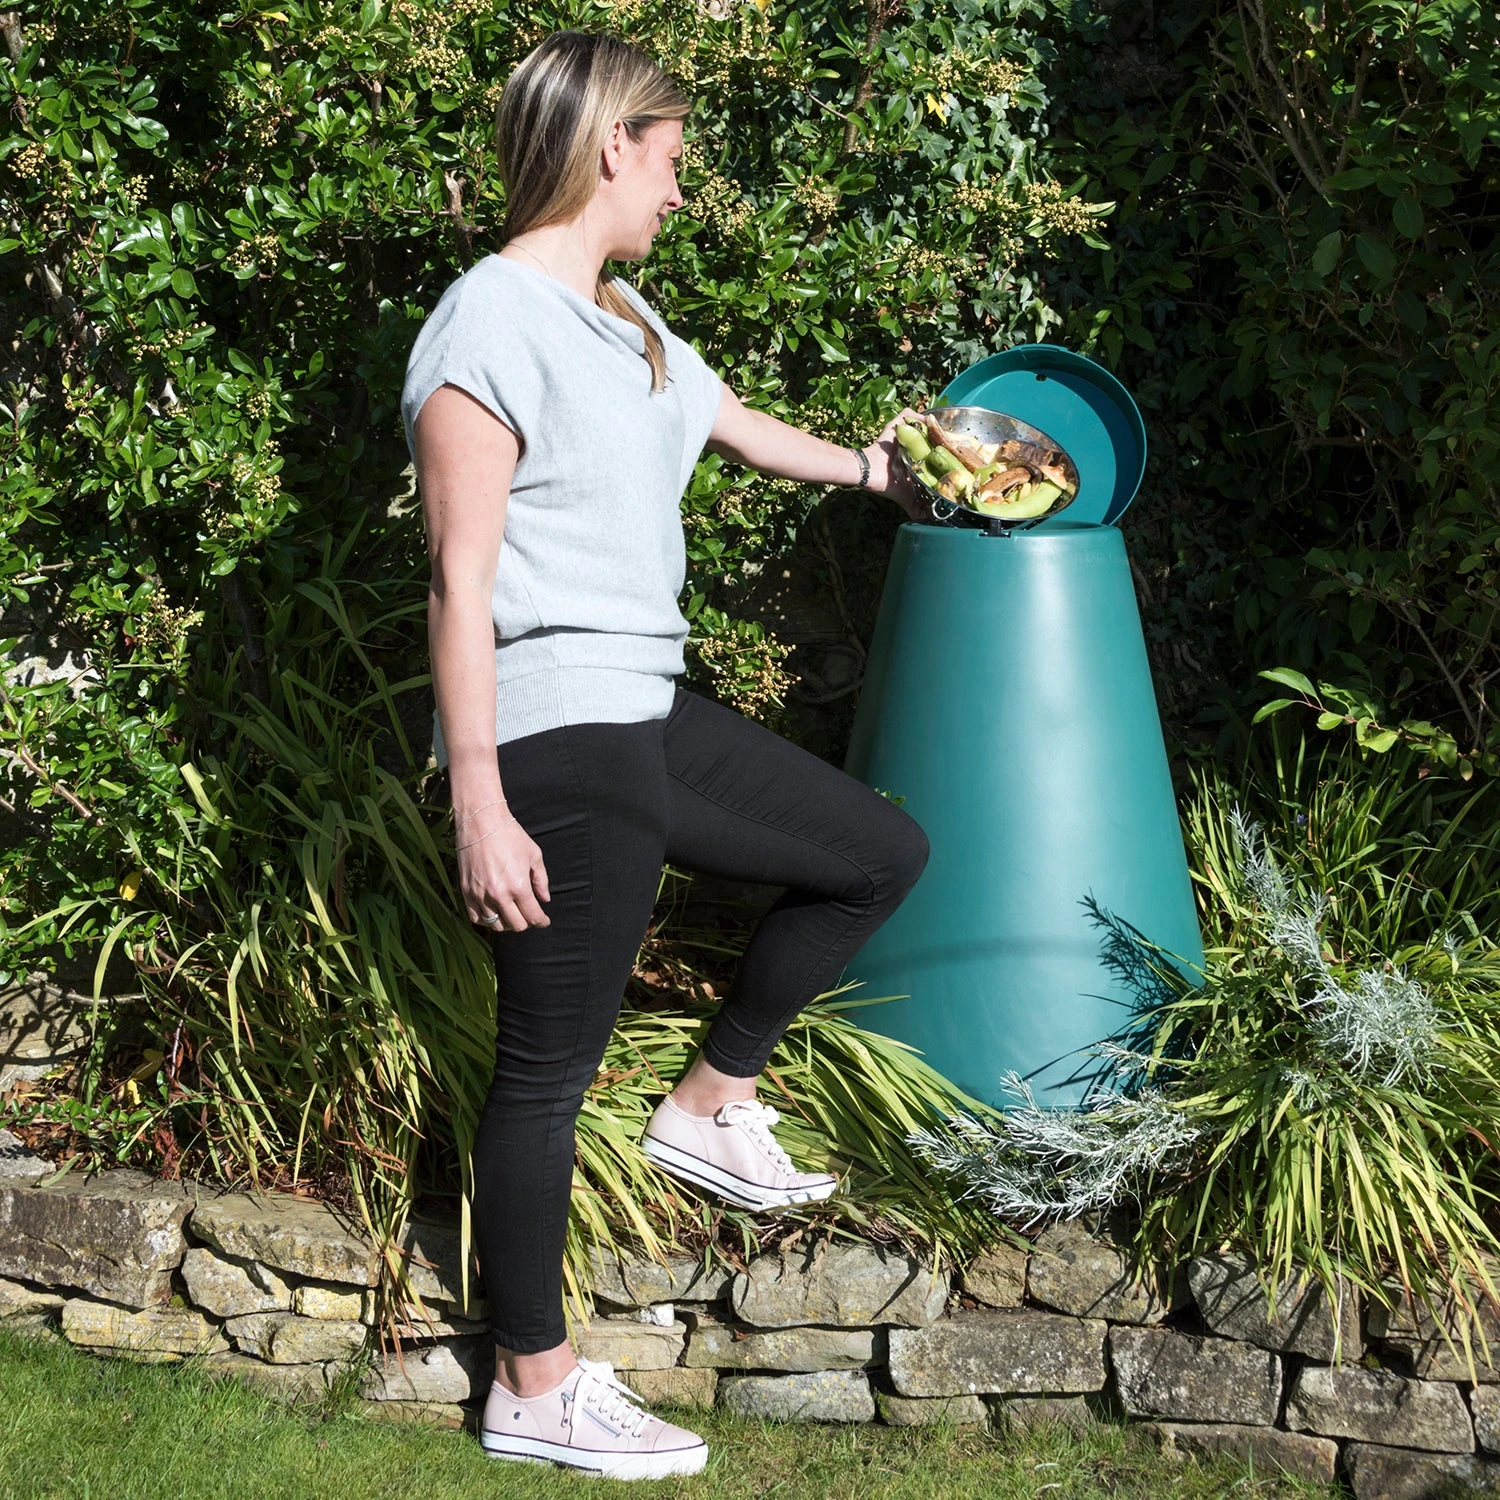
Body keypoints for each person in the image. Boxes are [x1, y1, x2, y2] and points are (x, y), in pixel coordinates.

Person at [401, 28, 930, 1481]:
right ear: (612, 144)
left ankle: (709, 1103)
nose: (681, 193)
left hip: (648, 704)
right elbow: (461, 576)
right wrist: (480, 797)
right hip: (553, 732)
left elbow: (739, 429)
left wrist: (887, 474)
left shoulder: (621, 313)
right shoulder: (486, 325)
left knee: (875, 851)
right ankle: (535, 1384)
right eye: (675, 160)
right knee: (546, 1074)